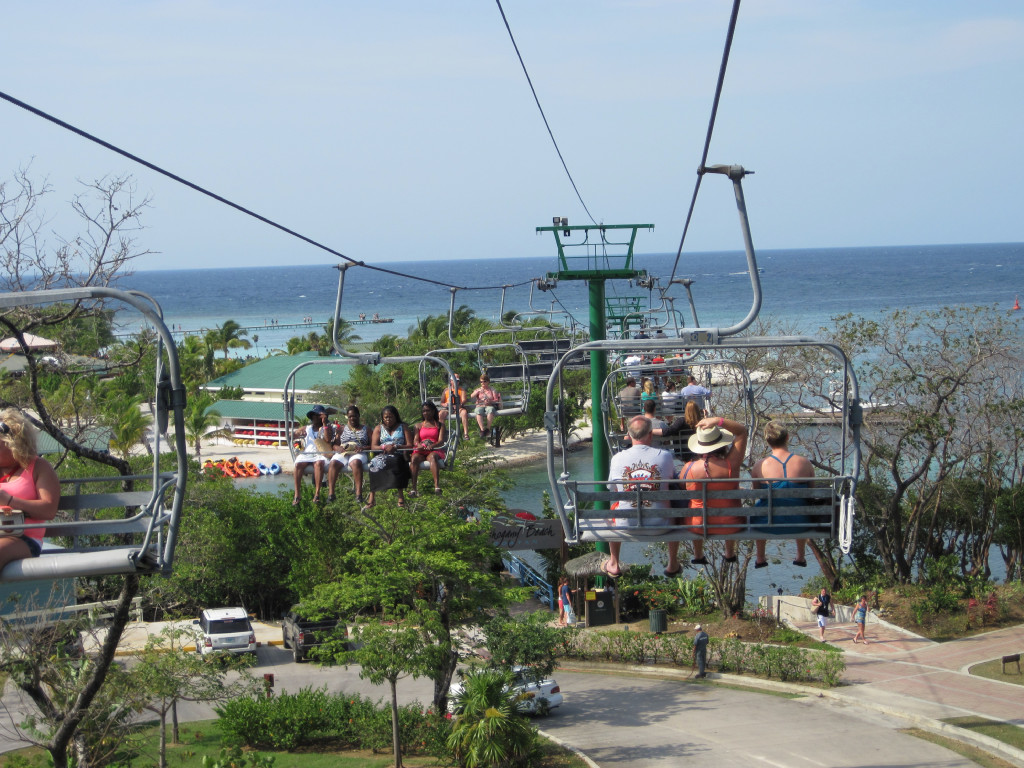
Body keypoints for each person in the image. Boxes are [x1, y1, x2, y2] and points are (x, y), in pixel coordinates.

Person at [603, 415, 678, 578]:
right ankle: (672, 561)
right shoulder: (665, 456)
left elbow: (612, 488)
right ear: (650, 434)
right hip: (662, 526)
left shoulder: (617, 458)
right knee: (672, 504)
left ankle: (614, 562)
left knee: (614, 506)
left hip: (626, 526)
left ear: (629, 435)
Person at [678, 416, 749, 565]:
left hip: (698, 526)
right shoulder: (731, 464)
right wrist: (717, 420)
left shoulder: (688, 468)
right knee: (729, 507)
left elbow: (682, 489)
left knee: (694, 506)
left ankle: (698, 554)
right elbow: (742, 431)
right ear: (721, 444)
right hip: (731, 524)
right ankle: (729, 552)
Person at [0, 409, 60, 573]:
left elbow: (48, 510)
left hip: (22, 538)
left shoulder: (38, 467)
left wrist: (9, 500)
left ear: (14, 443)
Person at [750, 422, 815, 568]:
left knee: (760, 508)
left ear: (768, 441)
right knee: (800, 505)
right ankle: (800, 555)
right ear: (787, 437)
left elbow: (757, 494)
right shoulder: (804, 463)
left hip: (766, 525)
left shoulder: (759, 465)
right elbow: (810, 493)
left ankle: (760, 557)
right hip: (800, 523)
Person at [367, 405, 413, 508]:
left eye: (391, 417)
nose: (388, 420)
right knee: (374, 464)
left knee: (395, 463)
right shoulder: (379, 428)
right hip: (383, 454)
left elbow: (410, 445)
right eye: (386, 417)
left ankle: (400, 496)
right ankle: (372, 497)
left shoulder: (403, 427)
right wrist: (384, 447)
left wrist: (396, 446)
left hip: (398, 453)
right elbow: (373, 446)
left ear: (396, 416)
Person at [327, 405, 370, 504]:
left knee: (355, 462)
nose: (352, 418)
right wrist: (338, 448)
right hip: (344, 451)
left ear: (358, 416)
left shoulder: (366, 429)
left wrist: (362, 448)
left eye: (354, 416)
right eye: (350, 416)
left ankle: (358, 493)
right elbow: (335, 445)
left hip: (358, 451)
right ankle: (331, 493)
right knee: (333, 463)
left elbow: (372, 445)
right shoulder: (342, 429)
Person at [292, 405, 332, 505]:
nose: (315, 418)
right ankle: (297, 493)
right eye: (313, 416)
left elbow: (328, 439)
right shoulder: (307, 428)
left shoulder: (326, 427)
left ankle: (317, 493)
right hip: (308, 452)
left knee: (318, 463)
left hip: (320, 452)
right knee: (298, 465)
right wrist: (294, 434)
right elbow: (293, 435)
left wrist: (324, 423)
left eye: (317, 416)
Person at [410, 401, 446, 496]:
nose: (426, 413)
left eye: (428, 411)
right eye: (424, 411)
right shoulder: (418, 426)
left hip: (434, 449)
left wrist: (432, 446)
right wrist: (419, 445)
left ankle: (437, 486)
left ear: (433, 411)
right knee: (414, 459)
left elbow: (441, 441)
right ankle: (413, 488)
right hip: (421, 449)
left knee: (433, 457)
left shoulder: (439, 425)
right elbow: (415, 440)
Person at [470, 374, 502, 439]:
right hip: (480, 405)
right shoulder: (479, 389)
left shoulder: (492, 389)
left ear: (488, 382)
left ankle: (487, 429)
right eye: (481, 382)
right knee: (478, 411)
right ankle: (482, 429)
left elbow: (496, 400)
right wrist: (477, 392)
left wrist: (490, 401)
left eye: (484, 381)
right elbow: (472, 396)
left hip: (489, 405)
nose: (483, 383)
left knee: (490, 410)